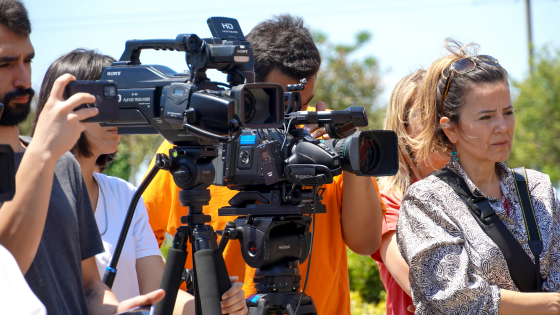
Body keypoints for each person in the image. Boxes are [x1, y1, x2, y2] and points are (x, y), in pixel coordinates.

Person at [143, 14, 386, 315]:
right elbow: (135, 251)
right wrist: (192, 304)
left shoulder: (321, 149)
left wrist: (348, 153)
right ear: (247, 89)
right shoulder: (194, 147)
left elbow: (366, 241)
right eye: (281, 104)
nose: (295, 116)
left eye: (304, 102)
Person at [31, 48, 248, 315]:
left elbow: (155, 290)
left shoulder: (124, 195)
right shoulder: (30, 189)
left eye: (121, 99)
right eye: (107, 99)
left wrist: (215, 306)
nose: (118, 113)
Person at [0, 1, 164, 313]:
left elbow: (89, 285)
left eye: (28, 61)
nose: (23, 78)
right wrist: (43, 152)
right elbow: (6, 270)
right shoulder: (50, 157)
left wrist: (114, 310)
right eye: (5, 64)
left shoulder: (64, 166)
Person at [397, 39, 560, 314]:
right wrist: (550, 304)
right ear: (450, 129)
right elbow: (456, 298)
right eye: (486, 117)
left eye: (508, 113)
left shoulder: (538, 187)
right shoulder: (426, 201)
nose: (502, 127)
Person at [370, 69, 448, 315]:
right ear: (402, 126)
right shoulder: (388, 198)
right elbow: (424, 288)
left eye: (441, 109)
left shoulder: (475, 186)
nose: (437, 121)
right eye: (423, 112)